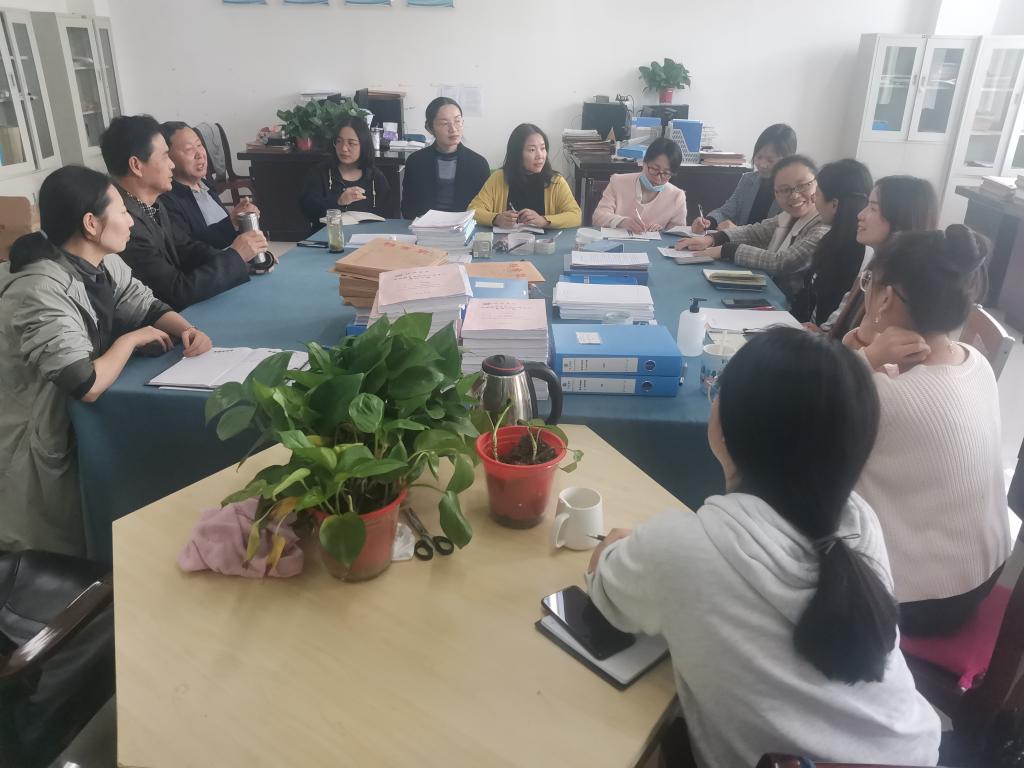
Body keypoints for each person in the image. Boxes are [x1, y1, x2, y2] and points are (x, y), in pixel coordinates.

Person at [587, 327, 940, 767]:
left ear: (724, 423)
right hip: (916, 754)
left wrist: (616, 545)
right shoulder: (859, 521)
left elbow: (606, 588)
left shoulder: (682, 548)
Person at [0, 165, 212, 555]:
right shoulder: (38, 288)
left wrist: (187, 330)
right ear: (91, 224)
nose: (131, 221)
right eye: (123, 212)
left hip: (65, 419)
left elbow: (146, 305)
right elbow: (84, 382)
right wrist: (131, 340)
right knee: (52, 550)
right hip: (31, 437)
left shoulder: (103, 261)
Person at [844, 226, 1011, 637]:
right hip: (984, 572)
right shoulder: (974, 362)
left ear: (885, 298)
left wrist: (863, 353)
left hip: (914, 600)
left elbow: (800, 414)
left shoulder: (880, 395)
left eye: (869, 282)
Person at [101, 115, 270, 311]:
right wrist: (236, 257)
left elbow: (188, 249)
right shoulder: (123, 224)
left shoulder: (152, 205)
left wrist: (246, 260)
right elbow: (175, 292)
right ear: (137, 166)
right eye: (165, 156)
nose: (171, 164)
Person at [675, 155, 829, 302]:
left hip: (793, 308)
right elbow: (755, 232)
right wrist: (712, 239)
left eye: (802, 186)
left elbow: (782, 262)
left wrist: (726, 250)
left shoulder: (823, 225)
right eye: (784, 190)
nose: (794, 195)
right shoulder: (788, 216)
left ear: (818, 184)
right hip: (768, 290)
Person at [824, 176, 938, 339]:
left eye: (873, 208)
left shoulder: (902, 290)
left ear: (900, 217)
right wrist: (821, 335)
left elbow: (869, 348)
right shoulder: (877, 263)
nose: (860, 215)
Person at [790, 159, 872, 325]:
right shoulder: (832, 238)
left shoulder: (858, 252)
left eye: (818, 194)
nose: (813, 200)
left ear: (834, 204)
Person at [158, 121, 259, 250]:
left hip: (234, 260)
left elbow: (227, 235)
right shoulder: (167, 200)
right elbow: (191, 249)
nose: (200, 154)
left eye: (199, 145)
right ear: (167, 157)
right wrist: (232, 222)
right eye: (189, 149)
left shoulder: (205, 186)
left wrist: (244, 221)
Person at [468, 123, 581, 230]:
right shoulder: (499, 178)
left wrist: (544, 220)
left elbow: (576, 215)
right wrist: (497, 219)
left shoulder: (555, 181)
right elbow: (472, 211)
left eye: (542, 148)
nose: (540, 155)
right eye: (532, 150)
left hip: (543, 243)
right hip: (505, 242)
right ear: (517, 153)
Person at [691, 123, 797, 232]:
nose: (762, 164)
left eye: (770, 160)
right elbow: (726, 212)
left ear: (788, 160)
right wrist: (709, 222)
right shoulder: (748, 180)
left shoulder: (794, 193)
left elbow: (777, 233)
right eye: (759, 157)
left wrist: (738, 231)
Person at [401, 97, 490, 219]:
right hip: (424, 226)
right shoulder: (415, 161)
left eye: (457, 121)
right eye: (444, 123)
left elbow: (483, 209)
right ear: (429, 128)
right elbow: (408, 206)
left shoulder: (478, 164)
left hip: (464, 227)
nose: (453, 129)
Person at [299, 115, 391, 228]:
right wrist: (339, 201)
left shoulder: (375, 177)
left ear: (364, 145)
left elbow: (389, 218)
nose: (343, 148)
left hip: (367, 237)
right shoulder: (319, 173)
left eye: (351, 143)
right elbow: (308, 211)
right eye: (339, 141)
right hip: (328, 236)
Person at [592, 137, 687, 233]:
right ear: (644, 162)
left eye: (666, 173)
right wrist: (623, 222)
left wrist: (662, 231)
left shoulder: (677, 197)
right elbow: (598, 217)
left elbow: (678, 234)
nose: (658, 178)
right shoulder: (618, 182)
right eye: (654, 169)